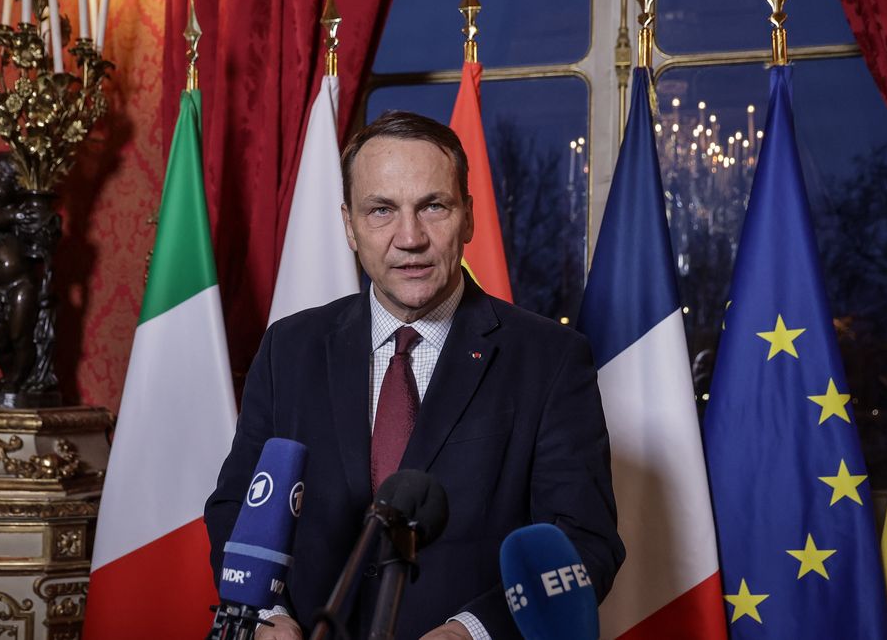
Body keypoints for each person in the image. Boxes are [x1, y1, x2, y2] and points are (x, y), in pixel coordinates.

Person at [205, 111, 624, 640]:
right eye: (382, 210)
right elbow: (235, 510)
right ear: (350, 226)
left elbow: (584, 544)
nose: (410, 237)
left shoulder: (550, 359)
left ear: (468, 217)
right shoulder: (290, 348)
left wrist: (471, 632)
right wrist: (268, 617)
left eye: (433, 206)